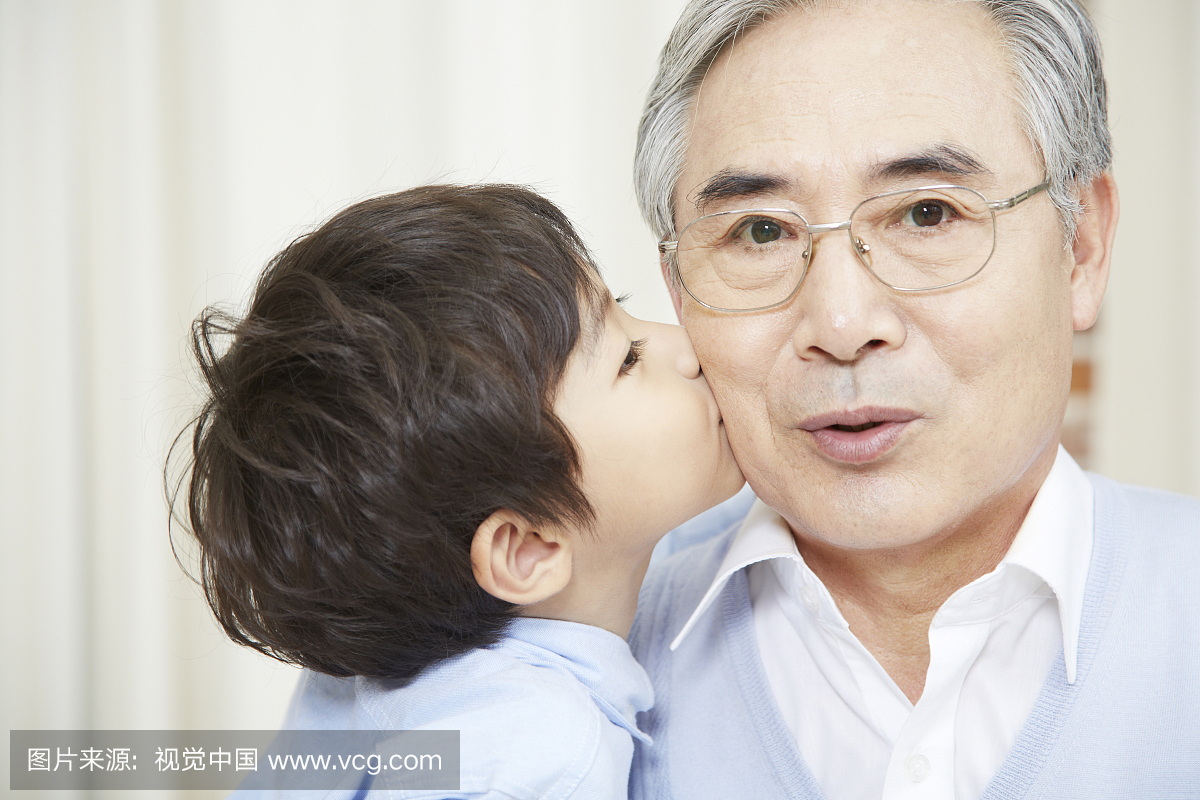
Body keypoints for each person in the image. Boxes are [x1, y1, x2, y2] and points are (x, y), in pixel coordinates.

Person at [628, 1, 1200, 798]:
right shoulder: (547, 646)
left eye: (927, 214)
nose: (841, 323)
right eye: (760, 232)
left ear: (1083, 250)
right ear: (678, 293)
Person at [171, 183, 743, 797]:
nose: (684, 344)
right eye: (627, 358)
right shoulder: (534, 753)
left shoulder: (367, 673)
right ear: (526, 550)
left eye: (626, 309)